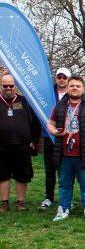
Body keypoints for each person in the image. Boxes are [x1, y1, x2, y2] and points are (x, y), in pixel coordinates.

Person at [47, 76, 85, 222]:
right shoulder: (59, 106)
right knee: (64, 183)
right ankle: (63, 208)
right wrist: (54, 132)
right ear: (67, 88)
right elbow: (50, 123)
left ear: (82, 88)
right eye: (72, 85)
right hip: (64, 153)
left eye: (78, 86)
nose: (74, 88)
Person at [0, 74, 41, 212]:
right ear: (1, 86)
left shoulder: (25, 101)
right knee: (2, 175)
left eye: (11, 85)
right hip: (1, 146)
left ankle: (20, 202)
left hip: (22, 145)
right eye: (5, 85)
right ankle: (4, 203)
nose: (8, 88)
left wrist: (34, 141)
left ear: (15, 86)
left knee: (22, 175)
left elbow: (35, 123)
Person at [40, 67, 70, 209]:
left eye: (64, 77)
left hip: (67, 137)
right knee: (50, 169)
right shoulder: (47, 93)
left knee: (65, 170)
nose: (62, 79)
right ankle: (49, 197)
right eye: (59, 77)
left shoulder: (73, 93)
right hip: (49, 136)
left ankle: (66, 198)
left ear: (68, 79)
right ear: (56, 78)